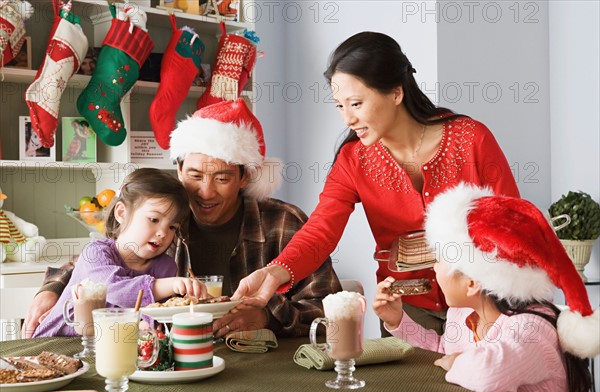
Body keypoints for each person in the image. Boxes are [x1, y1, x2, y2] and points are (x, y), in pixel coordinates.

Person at [233, 31, 520, 335]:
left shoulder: (470, 139)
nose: (347, 118)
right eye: (339, 106)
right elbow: (320, 231)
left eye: (356, 103)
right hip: (405, 314)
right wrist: (274, 272)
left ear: (396, 93)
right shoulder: (353, 159)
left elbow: (515, 226)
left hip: (483, 308)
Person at [24, 99, 342, 339]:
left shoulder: (283, 223)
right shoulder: (164, 218)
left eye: (222, 178)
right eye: (194, 175)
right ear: (178, 170)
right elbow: (98, 262)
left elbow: (333, 315)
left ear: (245, 177)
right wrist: (50, 288)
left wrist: (267, 319)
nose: (205, 192)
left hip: (259, 364)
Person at [373, 183, 598, 392]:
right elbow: (444, 350)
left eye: (439, 260)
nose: (433, 267)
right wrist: (398, 321)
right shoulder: (462, 315)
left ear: (471, 283)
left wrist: (455, 363)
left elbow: (489, 372)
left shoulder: (532, 330)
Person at [33, 168, 207, 337]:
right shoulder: (96, 253)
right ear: (121, 213)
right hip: (60, 341)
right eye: (154, 219)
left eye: (172, 227)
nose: (163, 233)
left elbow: (153, 318)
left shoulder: (165, 267)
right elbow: (112, 289)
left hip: (113, 346)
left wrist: (148, 326)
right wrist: (170, 285)